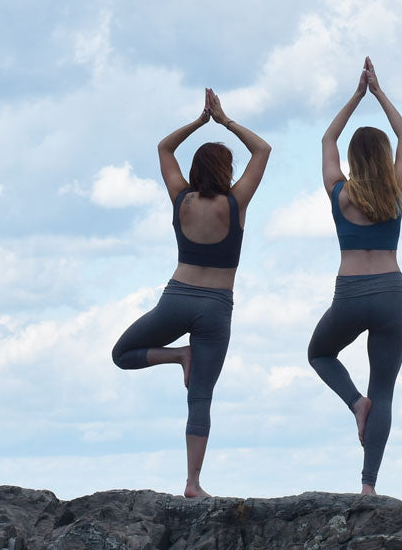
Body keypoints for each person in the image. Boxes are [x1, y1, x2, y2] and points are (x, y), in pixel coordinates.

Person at [111, 89, 271, 498]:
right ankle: (193, 483)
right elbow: (263, 150)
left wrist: (200, 122)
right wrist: (225, 120)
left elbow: (165, 147)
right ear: (225, 169)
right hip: (216, 307)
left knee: (122, 354)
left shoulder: (180, 198)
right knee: (200, 397)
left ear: (196, 170)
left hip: (176, 298)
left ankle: (178, 355)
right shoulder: (236, 202)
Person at [308, 56, 402, 495]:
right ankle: (369, 487)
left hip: (350, 294)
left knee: (319, 354)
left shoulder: (340, 194)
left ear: (353, 157)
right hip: (391, 292)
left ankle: (355, 403)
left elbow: (328, 136)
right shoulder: (396, 189)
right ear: (385, 158)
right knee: (384, 392)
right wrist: (380, 91)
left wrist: (357, 95)